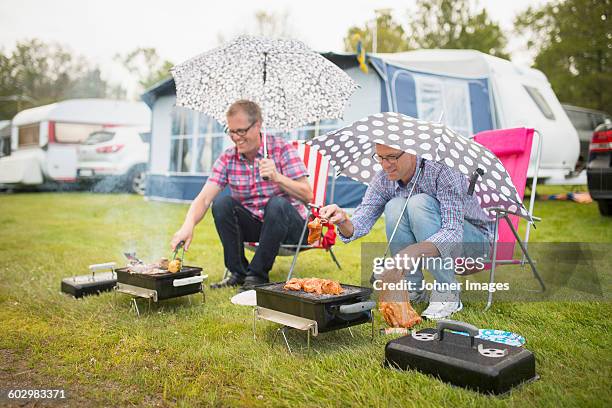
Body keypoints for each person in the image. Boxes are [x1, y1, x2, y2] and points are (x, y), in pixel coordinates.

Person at [319, 143, 493, 320]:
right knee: (395, 206)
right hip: (443, 240)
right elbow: (360, 222)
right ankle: (413, 289)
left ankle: (447, 292)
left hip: (475, 244)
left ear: (412, 152)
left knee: (418, 203)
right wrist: (343, 220)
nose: (386, 164)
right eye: (380, 157)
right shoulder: (383, 179)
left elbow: (453, 232)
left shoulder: (444, 170)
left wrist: (411, 253)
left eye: (392, 157)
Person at [171, 100, 313, 291]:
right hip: (259, 227)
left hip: (292, 230)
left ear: (257, 126)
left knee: (277, 203)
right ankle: (239, 272)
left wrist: (277, 177)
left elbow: (308, 195)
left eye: (241, 131)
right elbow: (204, 198)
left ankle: (257, 276)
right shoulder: (228, 158)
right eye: (231, 131)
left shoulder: (282, 149)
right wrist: (188, 225)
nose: (236, 138)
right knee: (222, 203)